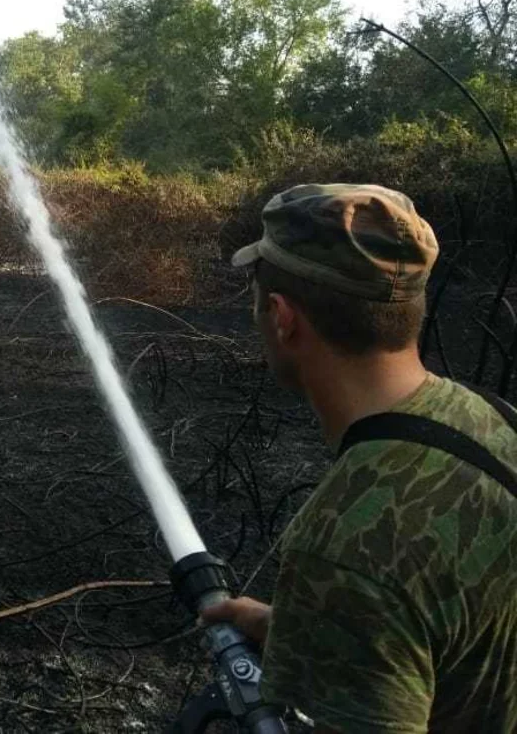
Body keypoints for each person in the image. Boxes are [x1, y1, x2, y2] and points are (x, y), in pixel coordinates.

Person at [202, 183, 517, 733]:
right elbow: (458, 631)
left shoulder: (345, 548)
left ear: (280, 315)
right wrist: (306, 628)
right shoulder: (494, 419)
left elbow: (384, 576)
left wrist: (338, 601)